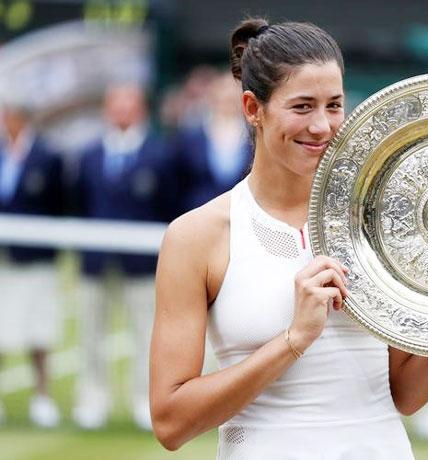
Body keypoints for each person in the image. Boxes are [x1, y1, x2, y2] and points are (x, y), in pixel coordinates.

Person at [149, 18, 428, 459]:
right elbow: (171, 422)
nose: (322, 126)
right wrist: (293, 339)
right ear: (253, 108)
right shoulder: (197, 237)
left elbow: (404, 394)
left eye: (334, 105)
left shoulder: (381, 222)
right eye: (302, 107)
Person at [72, 82, 176, 431]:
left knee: (146, 335)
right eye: (115, 104)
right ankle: (92, 399)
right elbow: (78, 206)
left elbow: (169, 207)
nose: (120, 112)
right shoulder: (89, 155)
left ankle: (143, 401)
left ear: (141, 109)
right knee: (91, 334)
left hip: (142, 265)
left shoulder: (160, 155)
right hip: (95, 263)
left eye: (127, 104)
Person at [0, 101, 63, 427]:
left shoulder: (47, 156)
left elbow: (60, 205)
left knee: (38, 331)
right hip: (3, 260)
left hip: (36, 259)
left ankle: (42, 396)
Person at [173, 71, 253, 214]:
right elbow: (176, 184)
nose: (228, 98)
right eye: (223, 91)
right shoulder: (191, 137)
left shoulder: (256, 137)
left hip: (243, 215)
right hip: (197, 215)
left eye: (233, 92)